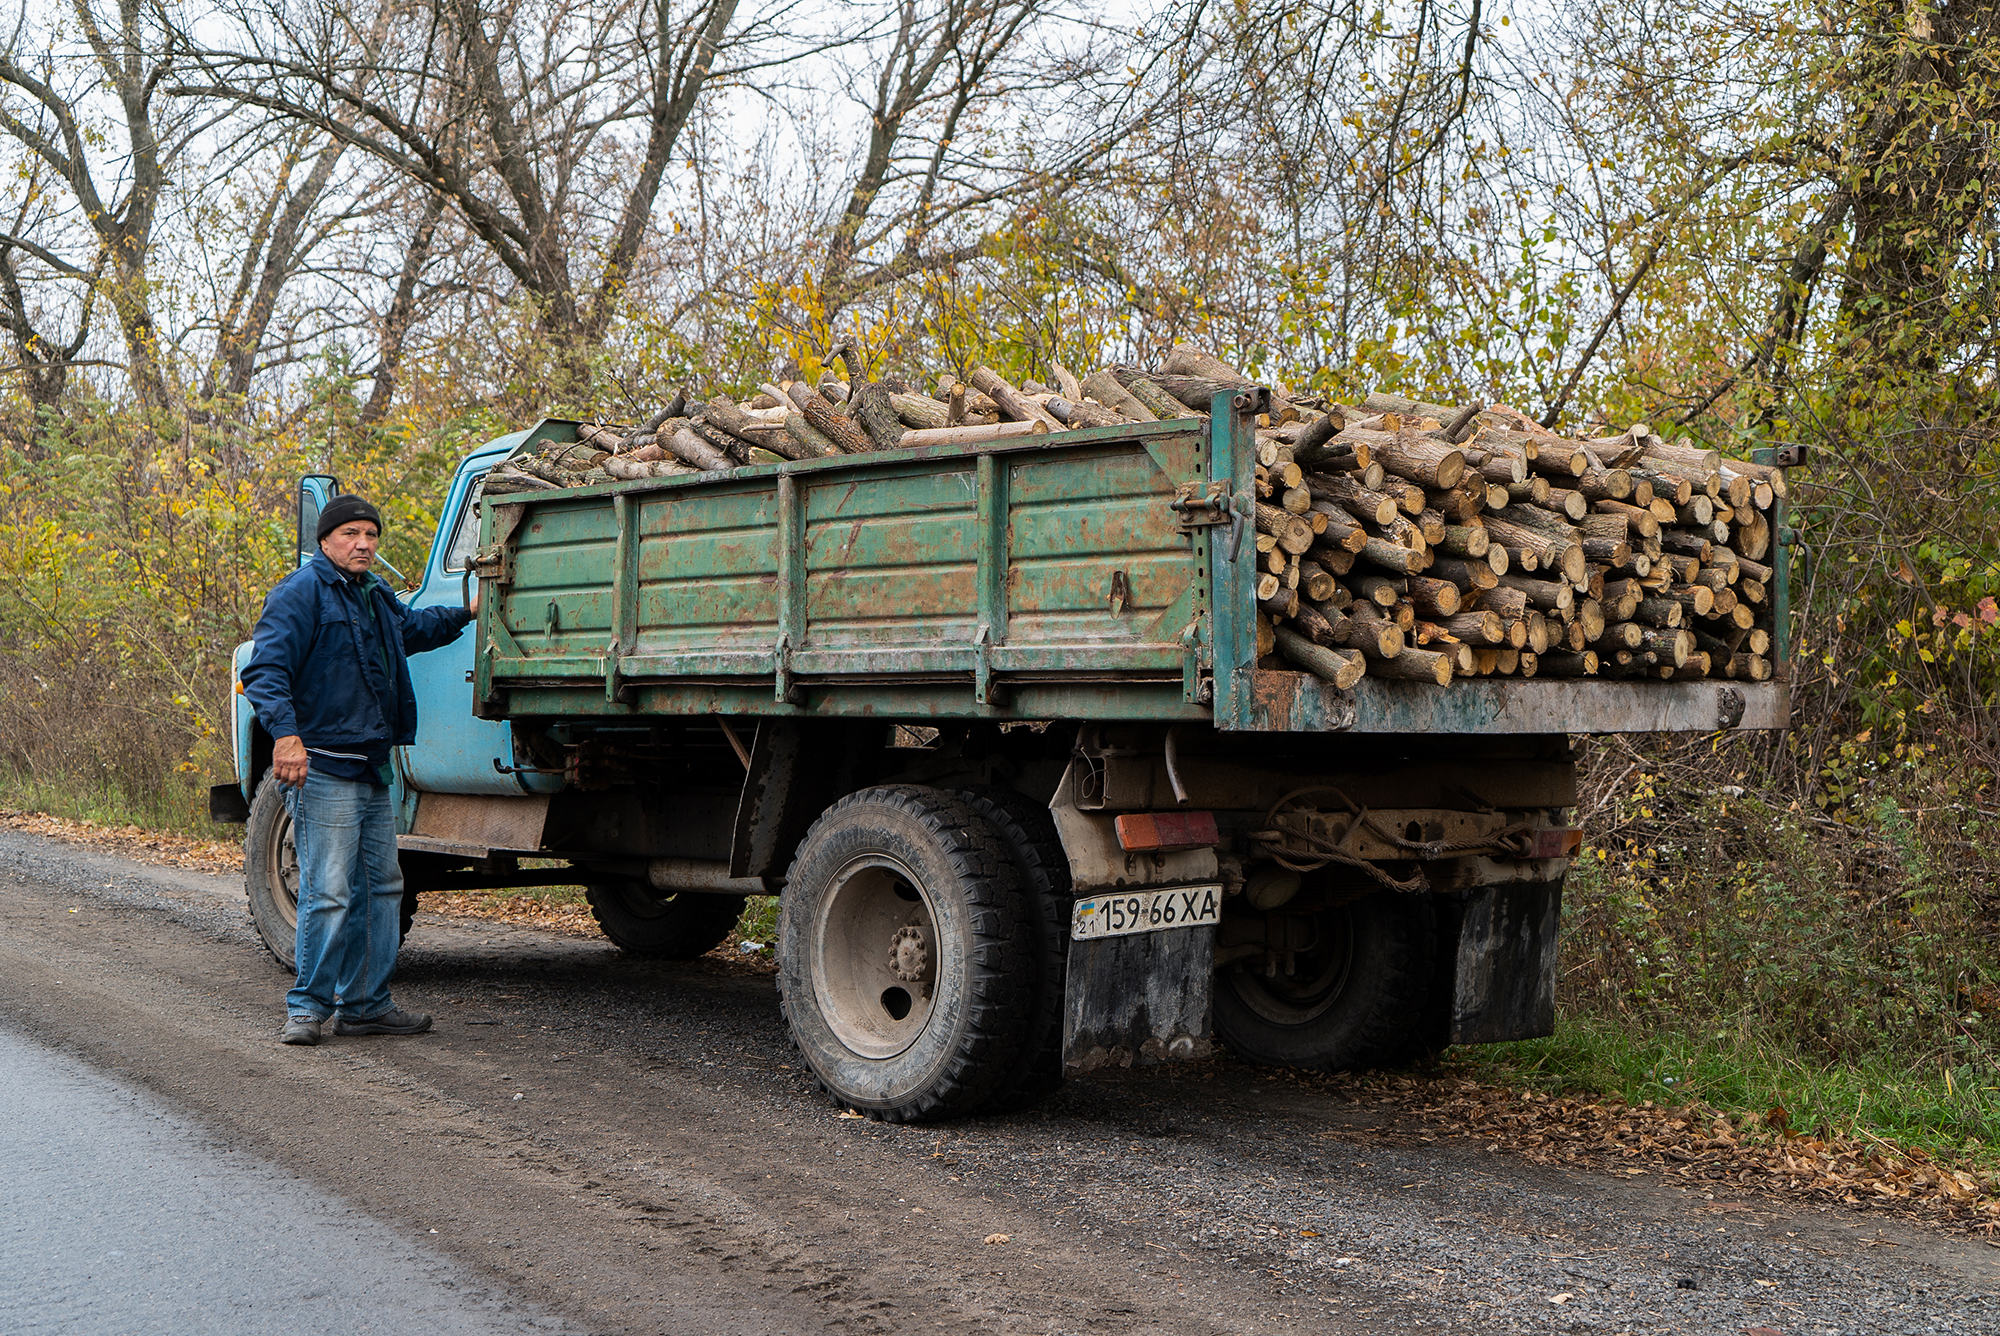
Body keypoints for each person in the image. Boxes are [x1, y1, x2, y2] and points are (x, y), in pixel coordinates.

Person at [241, 494, 476, 1046]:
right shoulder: (301, 594)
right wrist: (287, 737)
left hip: (371, 768)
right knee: (328, 891)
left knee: (382, 886)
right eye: (350, 534)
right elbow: (265, 670)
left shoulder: (374, 595)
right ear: (325, 541)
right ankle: (307, 1008)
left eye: (370, 534)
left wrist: (466, 612)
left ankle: (367, 1004)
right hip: (321, 766)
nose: (363, 543)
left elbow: (413, 631)